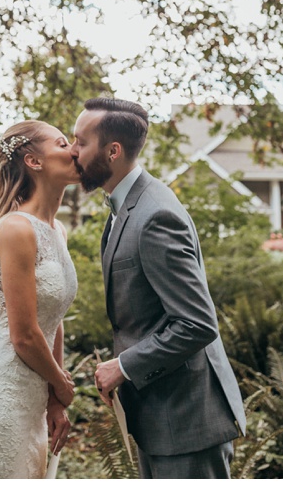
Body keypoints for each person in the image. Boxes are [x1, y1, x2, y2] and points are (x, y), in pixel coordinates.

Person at [71, 97, 246, 478]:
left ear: (113, 151)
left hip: (186, 423)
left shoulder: (155, 215)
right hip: (159, 417)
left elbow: (197, 324)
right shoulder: (124, 206)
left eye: (81, 142)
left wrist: (124, 366)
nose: (72, 151)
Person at [0, 121, 79, 478]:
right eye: (63, 143)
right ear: (34, 161)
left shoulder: (57, 230)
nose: (74, 151)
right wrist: (61, 383)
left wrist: (54, 401)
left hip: (31, 396)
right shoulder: (16, 228)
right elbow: (23, 334)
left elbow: (53, 320)